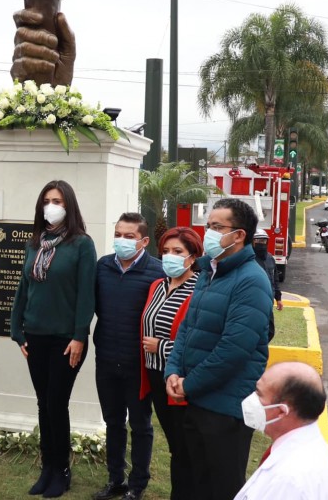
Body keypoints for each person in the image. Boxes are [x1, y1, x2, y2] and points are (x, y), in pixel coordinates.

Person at [164, 197, 273, 500]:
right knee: (188, 482)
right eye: (207, 225)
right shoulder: (210, 273)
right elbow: (187, 327)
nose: (207, 233)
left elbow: (234, 348)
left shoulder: (251, 281)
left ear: (238, 235)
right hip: (195, 400)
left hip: (225, 410)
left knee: (218, 487)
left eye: (215, 227)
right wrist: (172, 371)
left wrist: (190, 384)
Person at [10, 180, 96, 498]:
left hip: (66, 340)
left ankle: (61, 470)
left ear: (68, 205)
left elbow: (86, 295)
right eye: (46, 200)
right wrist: (16, 330)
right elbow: (23, 288)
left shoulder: (81, 244)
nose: (51, 205)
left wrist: (79, 335)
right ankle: (47, 466)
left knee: (57, 404)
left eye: (57, 200)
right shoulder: (35, 242)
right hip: (35, 336)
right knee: (43, 404)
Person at [91, 213, 164, 500]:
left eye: (129, 236)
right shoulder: (103, 267)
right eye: (118, 234)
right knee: (112, 422)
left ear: (144, 241)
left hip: (139, 365)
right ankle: (115, 479)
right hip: (107, 357)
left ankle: (137, 485)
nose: (122, 240)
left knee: (140, 424)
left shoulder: (157, 271)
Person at [139, 227, 203, 500]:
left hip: (177, 378)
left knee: (184, 445)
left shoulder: (200, 288)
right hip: (153, 375)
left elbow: (199, 340)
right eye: (165, 251)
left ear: (192, 257)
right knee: (174, 443)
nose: (170, 257)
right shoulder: (157, 285)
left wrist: (161, 347)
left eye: (178, 252)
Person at [234, 362, 328, 499]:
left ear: (281, 411)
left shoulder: (288, 479)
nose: (252, 399)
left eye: (259, 394)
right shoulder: (312, 450)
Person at [253, 229, 283, 310]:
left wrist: (278, 298)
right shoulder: (249, 259)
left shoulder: (270, 258)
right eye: (258, 241)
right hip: (254, 301)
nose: (261, 243)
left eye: (263, 241)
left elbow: (275, 279)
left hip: (269, 300)